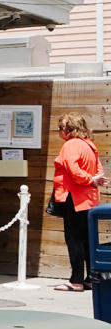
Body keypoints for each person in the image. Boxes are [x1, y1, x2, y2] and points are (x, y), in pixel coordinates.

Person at [53, 111, 105, 292]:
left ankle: (76, 281)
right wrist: (93, 180)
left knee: (74, 239)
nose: (59, 131)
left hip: (73, 198)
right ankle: (90, 278)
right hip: (88, 200)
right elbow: (99, 170)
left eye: (61, 127)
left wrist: (89, 180)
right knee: (86, 239)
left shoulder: (71, 145)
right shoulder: (89, 145)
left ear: (71, 128)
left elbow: (73, 171)